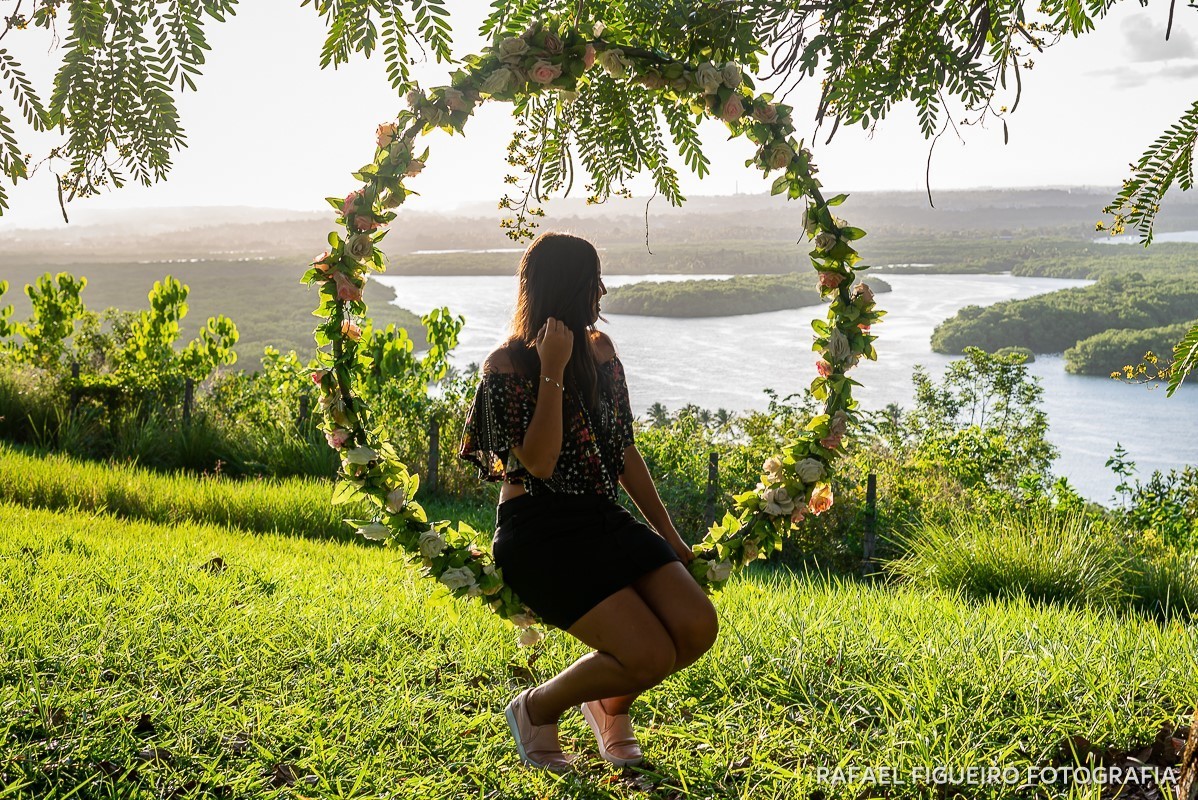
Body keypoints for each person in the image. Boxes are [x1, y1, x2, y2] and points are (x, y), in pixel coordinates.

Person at [458, 231, 719, 772]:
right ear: (565, 287)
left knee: (697, 625)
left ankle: (609, 705)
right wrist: (552, 367)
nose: (601, 290)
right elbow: (540, 462)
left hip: (603, 517)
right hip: (539, 530)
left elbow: (623, 450)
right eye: (592, 280)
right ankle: (536, 708)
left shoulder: (600, 350)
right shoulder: (506, 365)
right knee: (648, 652)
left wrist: (669, 536)